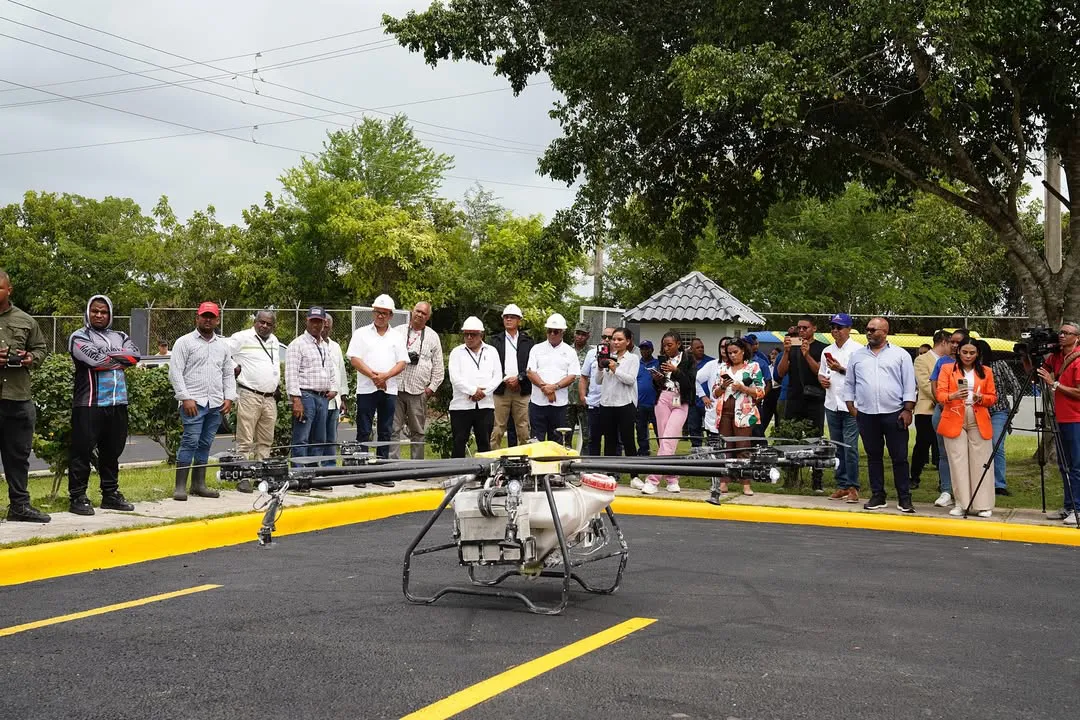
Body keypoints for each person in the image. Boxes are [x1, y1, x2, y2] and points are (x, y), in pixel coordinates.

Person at [67, 294, 139, 515]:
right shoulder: (79, 336)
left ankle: (110, 494)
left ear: (110, 314)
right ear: (88, 312)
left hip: (118, 402)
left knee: (112, 451)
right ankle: (78, 497)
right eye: (95, 311)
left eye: (103, 311)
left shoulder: (121, 335)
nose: (99, 315)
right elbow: (94, 361)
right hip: (89, 403)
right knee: (82, 452)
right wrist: (117, 359)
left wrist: (108, 357)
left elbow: (135, 356)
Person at [842, 317, 917, 512]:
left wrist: (908, 409)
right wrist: (850, 405)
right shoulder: (857, 356)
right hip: (866, 414)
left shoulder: (900, 355)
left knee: (899, 457)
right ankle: (878, 495)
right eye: (867, 329)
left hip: (895, 413)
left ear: (885, 332)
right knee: (873, 456)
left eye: (873, 329)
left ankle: (904, 498)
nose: (869, 332)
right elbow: (850, 382)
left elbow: (909, 384)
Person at [168, 301, 236, 501]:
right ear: (197, 318)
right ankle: (180, 486)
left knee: (205, 443)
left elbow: (227, 374)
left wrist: (229, 397)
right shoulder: (184, 342)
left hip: (215, 403)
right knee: (190, 441)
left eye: (211, 317)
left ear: (217, 320)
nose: (208, 320)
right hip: (193, 403)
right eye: (204, 316)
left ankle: (199, 484)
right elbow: (175, 372)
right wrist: (185, 397)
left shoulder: (222, 346)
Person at [0, 270, 50, 522]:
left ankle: (19, 507)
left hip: (18, 399)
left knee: (18, 457)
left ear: (9, 290)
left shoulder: (26, 320)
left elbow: (41, 348)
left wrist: (31, 358)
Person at [936, 336, 997, 518]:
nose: (968, 356)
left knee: (981, 460)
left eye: (972, 353)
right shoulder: (947, 369)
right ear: (958, 352)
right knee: (957, 461)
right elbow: (940, 394)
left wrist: (981, 398)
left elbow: (992, 397)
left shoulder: (986, 371)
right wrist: (953, 395)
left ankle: (983, 504)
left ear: (978, 353)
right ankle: (962, 503)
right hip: (954, 415)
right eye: (965, 352)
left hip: (977, 415)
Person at [347, 294, 407, 466]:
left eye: (385, 313)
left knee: (386, 431)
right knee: (364, 430)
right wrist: (374, 377)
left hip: (389, 389)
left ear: (391, 316)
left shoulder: (397, 337)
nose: (380, 316)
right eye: (378, 312)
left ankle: (381, 468)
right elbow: (355, 359)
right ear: (373, 312)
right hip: (366, 389)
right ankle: (361, 469)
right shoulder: (361, 334)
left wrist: (385, 377)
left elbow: (402, 362)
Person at [633, 331, 695, 494]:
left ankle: (652, 480)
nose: (666, 348)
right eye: (664, 345)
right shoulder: (661, 360)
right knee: (664, 441)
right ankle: (672, 478)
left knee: (669, 438)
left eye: (670, 345)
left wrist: (676, 371)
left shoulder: (688, 359)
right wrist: (657, 379)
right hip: (663, 399)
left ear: (678, 344)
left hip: (680, 401)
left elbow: (689, 384)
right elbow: (658, 386)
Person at [706, 338, 766, 503]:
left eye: (735, 352)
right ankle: (725, 480)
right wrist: (723, 387)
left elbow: (761, 391)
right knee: (727, 447)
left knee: (743, 446)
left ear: (743, 351)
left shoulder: (753, 367)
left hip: (744, 412)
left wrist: (744, 388)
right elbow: (715, 393)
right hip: (724, 411)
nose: (732, 356)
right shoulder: (723, 368)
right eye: (729, 353)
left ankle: (745, 482)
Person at [226, 309, 280, 484]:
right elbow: (223, 351)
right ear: (255, 322)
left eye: (268, 324)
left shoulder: (274, 340)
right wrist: (234, 365)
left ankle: (260, 477)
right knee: (245, 440)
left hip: (270, 397)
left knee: (266, 440)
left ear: (273, 326)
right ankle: (243, 476)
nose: (264, 326)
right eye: (261, 322)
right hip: (250, 394)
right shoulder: (242, 337)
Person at [1037, 322, 1080, 524]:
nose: (1061, 335)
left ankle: (1078, 509)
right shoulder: (1057, 356)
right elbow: (1040, 375)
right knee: (1064, 465)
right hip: (1061, 417)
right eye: (1060, 332)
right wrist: (1028, 357)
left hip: (1076, 418)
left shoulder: (1078, 360)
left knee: (1076, 466)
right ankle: (1068, 506)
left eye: (1066, 333)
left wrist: (1054, 384)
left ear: (1077, 337)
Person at [778, 316, 827, 491]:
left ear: (814, 328)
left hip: (814, 400)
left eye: (805, 328)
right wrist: (785, 352)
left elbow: (820, 372)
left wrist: (807, 355)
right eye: (799, 328)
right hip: (794, 398)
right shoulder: (792, 347)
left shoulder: (821, 348)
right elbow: (781, 372)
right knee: (790, 439)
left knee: (816, 438)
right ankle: (790, 478)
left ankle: (817, 480)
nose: (801, 331)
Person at [286, 308, 338, 467]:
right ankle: (299, 475)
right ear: (306, 321)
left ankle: (314, 474)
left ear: (324, 323)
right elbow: (291, 374)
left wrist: (332, 386)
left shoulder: (323, 345)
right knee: (302, 438)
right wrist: (296, 400)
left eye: (319, 321)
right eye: (313, 321)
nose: (316, 325)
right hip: (305, 396)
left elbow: (330, 369)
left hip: (323, 397)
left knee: (319, 439)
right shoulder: (297, 344)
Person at [392, 301, 444, 460]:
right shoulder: (396, 332)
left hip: (418, 390)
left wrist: (430, 389)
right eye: (417, 311)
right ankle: (391, 466)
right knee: (393, 430)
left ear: (428, 317)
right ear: (411, 311)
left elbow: (439, 367)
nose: (419, 315)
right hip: (396, 388)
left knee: (418, 432)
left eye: (424, 313)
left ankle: (417, 467)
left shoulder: (433, 336)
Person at [818, 313, 861, 503]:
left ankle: (853, 486)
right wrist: (823, 381)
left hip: (851, 404)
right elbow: (821, 373)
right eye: (833, 327)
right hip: (832, 403)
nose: (835, 331)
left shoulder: (858, 350)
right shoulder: (827, 350)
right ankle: (842, 485)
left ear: (849, 329)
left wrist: (841, 369)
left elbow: (860, 377)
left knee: (850, 447)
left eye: (839, 327)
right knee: (837, 447)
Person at [448, 316, 502, 457]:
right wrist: (473, 391)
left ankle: (483, 475)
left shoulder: (491, 352)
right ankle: (457, 473)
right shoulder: (457, 352)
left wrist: (483, 393)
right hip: (461, 405)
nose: (469, 337)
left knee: (484, 442)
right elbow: (455, 378)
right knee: (459, 441)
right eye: (466, 334)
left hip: (485, 405)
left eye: (473, 334)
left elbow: (497, 376)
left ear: (481, 335)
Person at [929, 329, 969, 507]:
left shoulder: (973, 365)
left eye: (957, 342)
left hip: (967, 412)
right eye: (951, 342)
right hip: (944, 410)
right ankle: (946, 491)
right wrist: (944, 402)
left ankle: (965, 492)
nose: (953, 345)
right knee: (944, 452)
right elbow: (935, 386)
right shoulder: (943, 363)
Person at [525, 313, 581, 442]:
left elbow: (572, 376)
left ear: (562, 332)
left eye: (555, 331)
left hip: (559, 404)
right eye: (549, 331)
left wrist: (554, 387)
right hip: (537, 402)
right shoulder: (536, 349)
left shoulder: (570, 351)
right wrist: (545, 388)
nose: (552, 334)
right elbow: (530, 372)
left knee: (556, 440)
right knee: (536, 440)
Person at [980, 339, 1022, 496]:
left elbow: (1015, 385)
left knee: (996, 443)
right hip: (979, 411)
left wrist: (1013, 410)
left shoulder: (999, 365)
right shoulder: (971, 369)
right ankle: (982, 480)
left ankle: (999, 484)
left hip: (999, 410)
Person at [490, 303, 533, 448]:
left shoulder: (528, 341)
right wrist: (506, 379)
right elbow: (492, 365)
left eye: (512, 317)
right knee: (497, 427)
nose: (509, 320)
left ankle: (525, 460)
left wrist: (519, 378)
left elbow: (531, 365)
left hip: (522, 389)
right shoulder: (495, 341)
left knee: (523, 427)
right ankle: (493, 460)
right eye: (506, 317)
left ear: (519, 320)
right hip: (501, 389)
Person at [912, 330, 950, 490]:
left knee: (943, 447)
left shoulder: (950, 361)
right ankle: (914, 476)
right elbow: (925, 384)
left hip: (947, 408)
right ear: (943, 342)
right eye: (951, 343)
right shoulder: (922, 360)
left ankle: (945, 481)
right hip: (927, 409)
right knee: (922, 443)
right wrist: (942, 399)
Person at [593, 327, 639, 456]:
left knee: (628, 439)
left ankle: (633, 474)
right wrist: (600, 367)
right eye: (614, 339)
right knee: (609, 440)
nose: (616, 342)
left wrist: (615, 369)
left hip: (625, 403)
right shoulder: (608, 356)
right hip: (607, 404)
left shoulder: (632, 358)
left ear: (628, 341)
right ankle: (610, 473)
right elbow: (598, 381)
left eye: (620, 339)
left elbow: (630, 380)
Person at [580, 326, 614, 455]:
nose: (606, 340)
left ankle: (612, 471)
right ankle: (593, 470)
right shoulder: (591, 354)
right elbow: (584, 376)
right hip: (594, 403)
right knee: (593, 439)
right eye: (603, 337)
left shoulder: (619, 355)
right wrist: (583, 396)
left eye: (610, 338)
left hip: (612, 404)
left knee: (612, 440)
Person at [322, 313, 350, 469]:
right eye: (323, 324)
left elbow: (341, 372)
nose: (325, 327)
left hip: (335, 400)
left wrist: (343, 398)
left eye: (328, 325)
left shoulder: (335, 347)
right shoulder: (311, 344)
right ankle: (314, 467)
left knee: (331, 436)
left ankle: (329, 467)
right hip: (319, 398)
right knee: (317, 436)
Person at [685, 338, 714, 448]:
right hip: (693, 401)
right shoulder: (687, 362)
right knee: (694, 427)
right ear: (691, 349)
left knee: (710, 427)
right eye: (698, 348)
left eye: (702, 347)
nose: (701, 349)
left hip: (708, 401)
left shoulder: (711, 362)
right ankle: (696, 451)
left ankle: (712, 449)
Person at [568, 323, 592, 451]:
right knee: (566, 434)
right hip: (567, 398)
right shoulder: (566, 350)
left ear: (588, 336)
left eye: (583, 334)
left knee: (587, 435)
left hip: (585, 399)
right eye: (578, 333)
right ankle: (566, 462)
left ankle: (586, 463)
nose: (580, 337)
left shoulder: (592, 352)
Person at [635, 340, 659, 455]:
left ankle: (663, 451)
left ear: (652, 350)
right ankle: (644, 451)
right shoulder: (636, 364)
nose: (644, 351)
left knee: (659, 429)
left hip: (655, 403)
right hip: (640, 403)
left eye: (647, 348)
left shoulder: (658, 363)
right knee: (641, 430)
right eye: (642, 349)